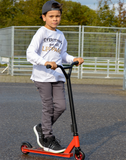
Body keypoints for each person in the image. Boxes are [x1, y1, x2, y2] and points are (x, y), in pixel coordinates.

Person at [26, 0, 84, 154]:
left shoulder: (60, 35)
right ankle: (47, 137)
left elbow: (62, 54)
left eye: (57, 16)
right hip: (42, 76)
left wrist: (73, 59)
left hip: (58, 76)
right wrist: (45, 62)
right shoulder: (41, 32)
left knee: (61, 106)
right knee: (49, 107)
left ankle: (41, 128)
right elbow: (30, 53)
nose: (55, 19)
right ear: (44, 17)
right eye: (51, 16)